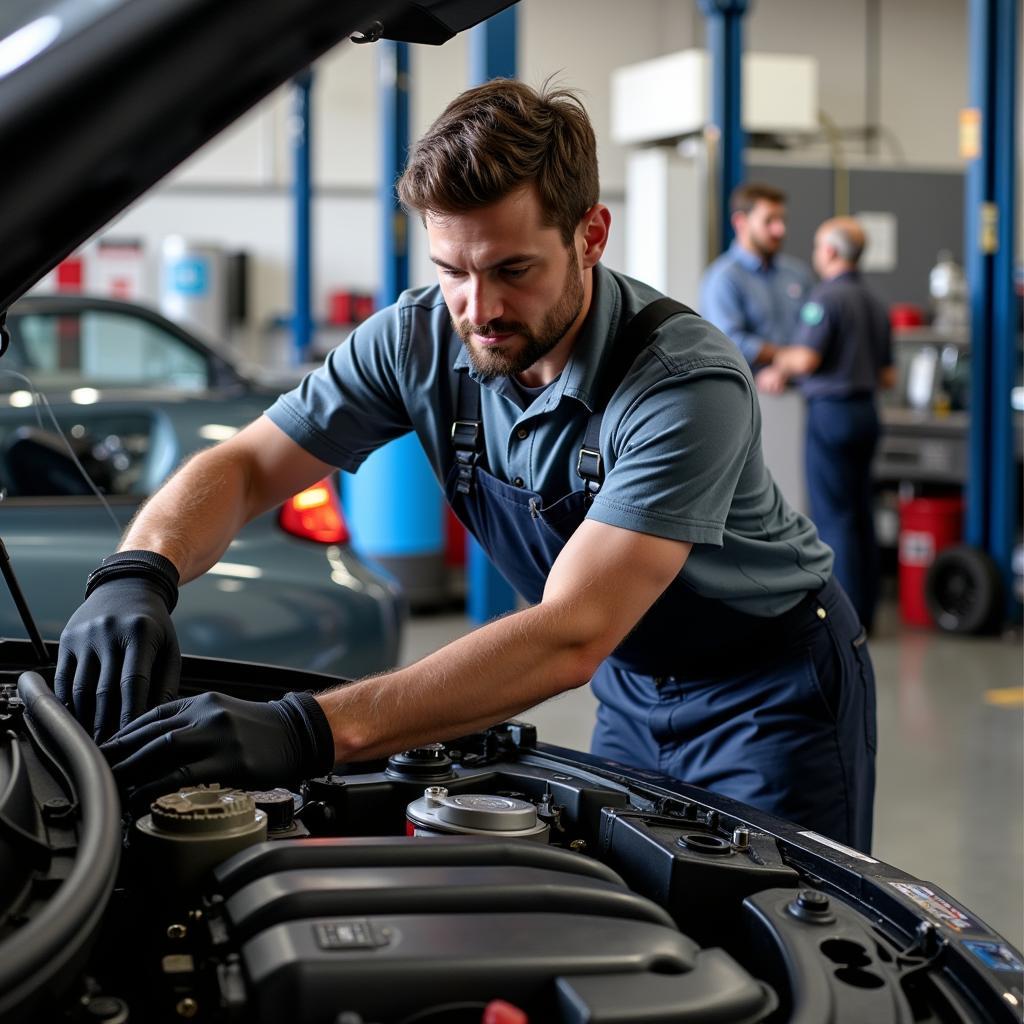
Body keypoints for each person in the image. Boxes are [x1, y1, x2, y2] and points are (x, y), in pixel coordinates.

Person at [57, 80, 877, 851]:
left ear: (590, 235)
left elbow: (570, 633)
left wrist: (310, 729)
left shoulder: (682, 383)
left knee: (769, 940)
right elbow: (244, 464)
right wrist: (139, 570)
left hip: (769, 694)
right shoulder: (417, 339)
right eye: (451, 271)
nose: (478, 310)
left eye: (512, 270)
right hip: (631, 685)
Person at [756, 217, 894, 633]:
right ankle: (867, 611)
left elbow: (807, 359)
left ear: (831, 252)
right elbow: (889, 376)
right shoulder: (875, 302)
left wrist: (778, 365)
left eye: (818, 246)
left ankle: (846, 618)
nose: (815, 254)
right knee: (861, 512)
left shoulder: (826, 299)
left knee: (834, 518)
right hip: (867, 412)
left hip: (831, 415)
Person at [699, 182, 816, 370]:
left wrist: (786, 368)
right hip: (751, 390)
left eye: (782, 220)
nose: (780, 230)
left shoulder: (797, 273)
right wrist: (783, 357)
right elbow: (727, 342)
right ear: (740, 222)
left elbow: (815, 324)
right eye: (769, 221)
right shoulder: (723, 278)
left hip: (805, 387)